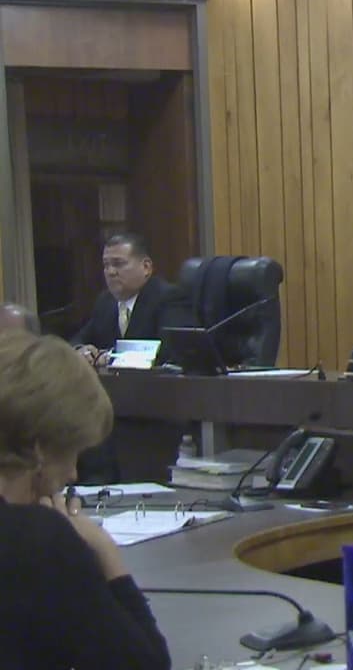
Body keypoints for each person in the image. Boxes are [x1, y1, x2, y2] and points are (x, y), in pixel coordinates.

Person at [0, 329, 170, 669]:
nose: (73, 474)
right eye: (72, 452)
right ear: (39, 448)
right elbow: (144, 665)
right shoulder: (36, 539)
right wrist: (104, 552)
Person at [70, 232, 189, 368]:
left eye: (118, 264)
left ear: (146, 267)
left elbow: (169, 352)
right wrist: (80, 349)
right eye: (106, 265)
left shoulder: (169, 298)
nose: (110, 272)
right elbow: (80, 338)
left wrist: (110, 357)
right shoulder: (105, 301)